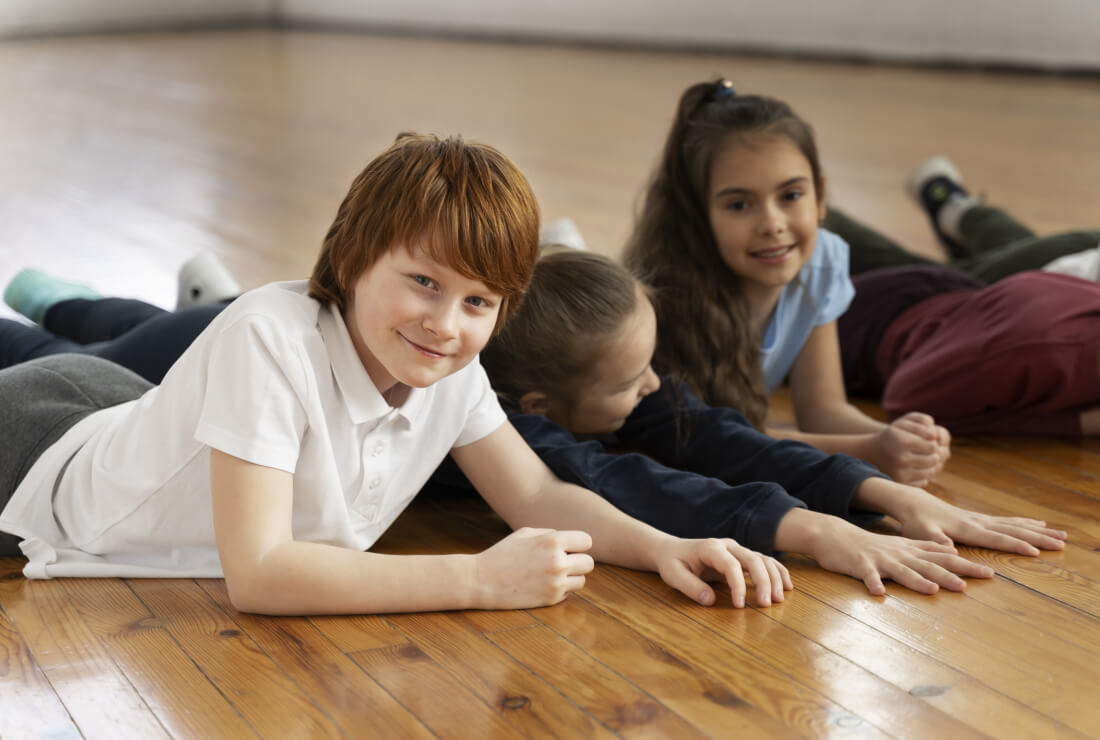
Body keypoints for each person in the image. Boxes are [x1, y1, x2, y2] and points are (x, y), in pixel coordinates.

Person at [0, 132, 793, 615]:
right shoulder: (268, 338)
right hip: (32, 453)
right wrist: (478, 581)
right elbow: (263, 575)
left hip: (118, 410)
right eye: (424, 282)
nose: (446, 324)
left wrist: (663, 546)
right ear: (351, 259)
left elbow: (538, 494)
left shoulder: (448, 367)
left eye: (478, 299)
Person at [472, 247, 1065, 595]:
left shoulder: (612, 377)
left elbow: (720, 439)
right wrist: (817, 532)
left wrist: (888, 494)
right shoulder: (510, 420)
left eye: (649, 364)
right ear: (540, 405)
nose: (651, 383)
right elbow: (627, 483)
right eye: (631, 380)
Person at [622, 79, 952, 484]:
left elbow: (822, 408)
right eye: (740, 204)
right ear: (698, 215)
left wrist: (895, 436)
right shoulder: (666, 297)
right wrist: (870, 452)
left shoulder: (822, 262)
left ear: (821, 194)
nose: (772, 225)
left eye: (791, 196)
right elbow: (706, 443)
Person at [826, 155, 1100, 282]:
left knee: (1011, 257)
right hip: (1064, 279)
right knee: (945, 288)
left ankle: (953, 207)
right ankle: (824, 223)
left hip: (1075, 262)